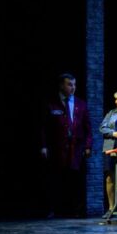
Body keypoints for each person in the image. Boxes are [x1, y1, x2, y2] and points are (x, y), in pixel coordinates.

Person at [40, 73, 92, 217]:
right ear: (61, 85)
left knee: (75, 181)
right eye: (69, 84)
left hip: (76, 149)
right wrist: (43, 146)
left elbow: (88, 128)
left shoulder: (81, 104)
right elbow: (43, 127)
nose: (73, 88)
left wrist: (88, 146)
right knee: (55, 179)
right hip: (56, 148)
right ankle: (53, 209)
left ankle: (76, 210)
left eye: (74, 85)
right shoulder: (51, 103)